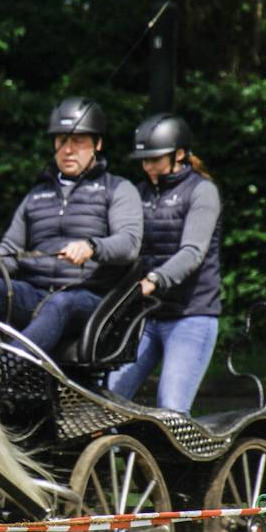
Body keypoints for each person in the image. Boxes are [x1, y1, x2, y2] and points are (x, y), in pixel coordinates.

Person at [0, 96, 142, 354]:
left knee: (62, 303)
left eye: (78, 141)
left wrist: (91, 247)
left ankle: (9, 367)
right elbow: (11, 252)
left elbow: (129, 244)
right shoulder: (35, 195)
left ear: (97, 144)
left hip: (88, 299)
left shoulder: (118, 189)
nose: (68, 150)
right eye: (62, 141)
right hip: (35, 294)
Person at [107, 113, 222, 413]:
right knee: (106, 399)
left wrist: (154, 280)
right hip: (147, 316)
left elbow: (192, 252)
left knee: (170, 407)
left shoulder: (202, 191)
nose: (147, 167)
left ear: (180, 154)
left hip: (191, 315)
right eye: (143, 160)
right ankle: (118, 455)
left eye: (154, 159)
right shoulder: (139, 193)